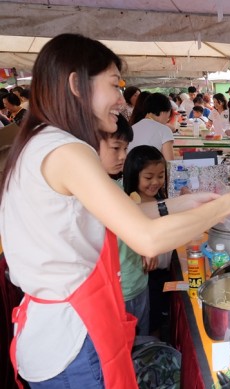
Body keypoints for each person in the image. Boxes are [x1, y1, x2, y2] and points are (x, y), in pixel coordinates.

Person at [0, 33, 230, 388]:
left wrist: (186, 204)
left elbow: (122, 217)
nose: (122, 100)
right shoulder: (66, 150)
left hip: (61, 333)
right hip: (73, 339)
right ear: (77, 84)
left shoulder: (43, 142)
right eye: (114, 85)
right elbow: (147, 239)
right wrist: (229, 204)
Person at [98, 116, 156, 337]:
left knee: (140, 343)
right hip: (118, 292)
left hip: (138, 282)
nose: (123, 156)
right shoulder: (97, 191)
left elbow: (139, 217)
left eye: (125, 148)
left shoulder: (119, 185)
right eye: (115, 148)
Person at [123, 145, 171, 337]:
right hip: (146, 277)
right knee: (149, 324)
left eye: (160, 176)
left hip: (162, 273)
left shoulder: (160, 199)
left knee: (157, 320)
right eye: (148, 177)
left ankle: (154, 352)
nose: (156, 182)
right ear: (134, 175)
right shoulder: (131, 203)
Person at [128, 92, 175, 161]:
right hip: (151, 171)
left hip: (130, 171)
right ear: (163, 112)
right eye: (168, 115)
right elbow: (170, 164)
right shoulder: (164, 130)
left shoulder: (132, 128)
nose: (167, 119)